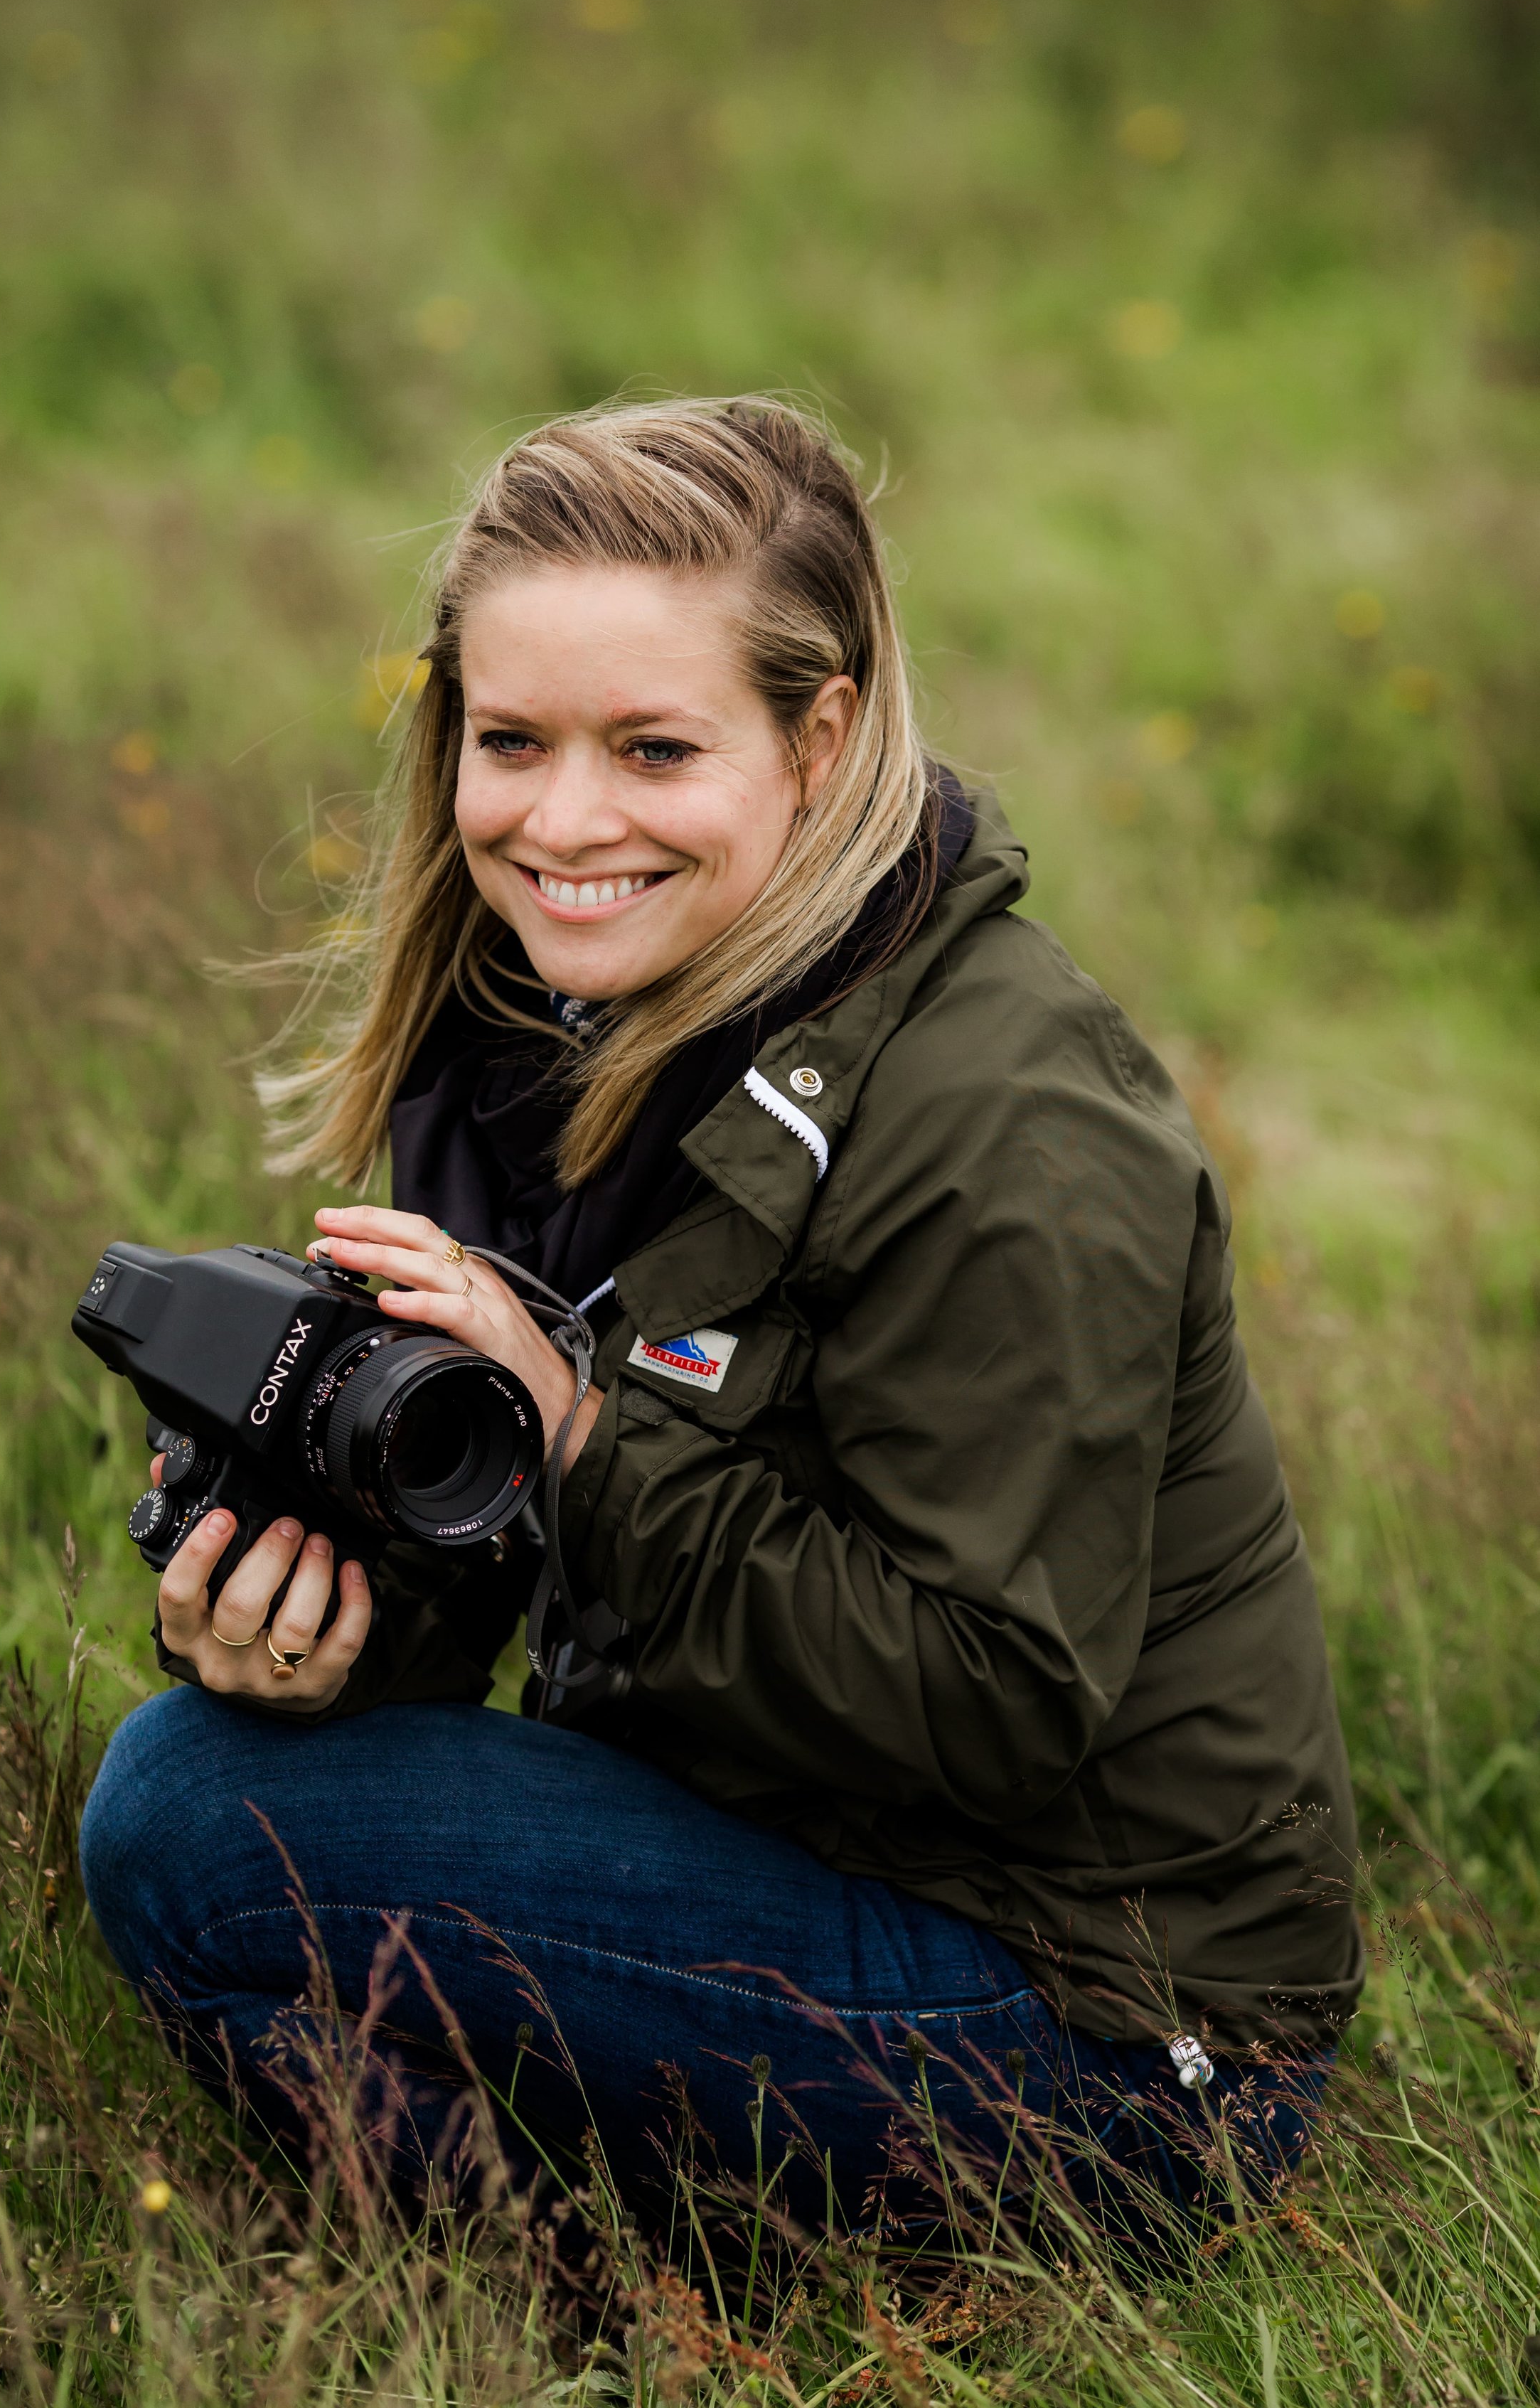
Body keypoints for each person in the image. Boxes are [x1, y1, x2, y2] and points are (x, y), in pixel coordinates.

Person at [80, 398, 1361, 2246]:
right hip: (778, 1844)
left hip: (1111, 2028)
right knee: (221, 1769)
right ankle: (624, 2291)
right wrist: (323, 1639)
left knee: (184, 1831)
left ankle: (603, 2335)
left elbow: (994, 1708)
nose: (561, 821)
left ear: (818, 735)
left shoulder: (1010, 1128)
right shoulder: (535, 1042)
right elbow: (497, 1583)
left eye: (654, 748)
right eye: (508, 740)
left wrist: (584, 1441)